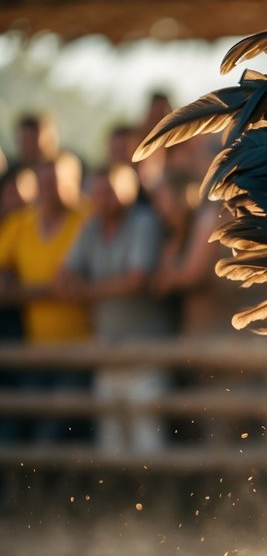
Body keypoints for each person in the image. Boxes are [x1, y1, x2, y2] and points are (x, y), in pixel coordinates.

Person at [58, 165, 170, 454]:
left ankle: (155, 498)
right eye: (95, 192)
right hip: (107, 348)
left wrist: (85, 290)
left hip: (145, 349)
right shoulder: (90, 227)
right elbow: (63, 273)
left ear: (129, 191)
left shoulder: (144, 222)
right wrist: (78, 284)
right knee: (111, 439)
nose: (101, 198)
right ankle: (117, 499)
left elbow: (136, 279)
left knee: (148, 437)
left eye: (108, 191)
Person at [0, 157, 91, 443]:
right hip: (36, 351)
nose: (48, 189)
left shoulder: (89, 219)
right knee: (25, 427)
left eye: (55, 181)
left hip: (81, 350)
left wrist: (23, 292)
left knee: (53, 433)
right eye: (43, 182)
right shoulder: (20, 223)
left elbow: (83, 282)